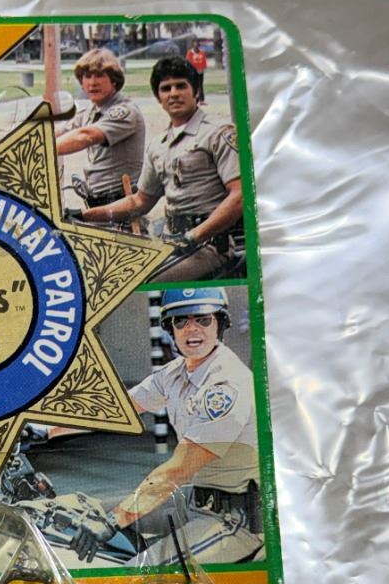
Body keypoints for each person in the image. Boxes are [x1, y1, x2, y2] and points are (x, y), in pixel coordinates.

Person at [78, 57, 241, 279]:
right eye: (166, 89)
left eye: (181, 86)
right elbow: (140, 201)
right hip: (172, 241)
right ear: (159, 98)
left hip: (210, 245)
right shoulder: (159, 145)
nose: (173, 94)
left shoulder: (218, 133)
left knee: (135, 281)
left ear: (196, 91)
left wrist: (193, 236)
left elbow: (239, 195)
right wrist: (84, 216)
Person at [114, 288, 258, 528]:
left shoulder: (227, 385)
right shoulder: (174, 372)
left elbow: (178, 470)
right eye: (181, 321)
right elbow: (116, 409)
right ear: (171, 330)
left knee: (141, 550)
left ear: (220, 324)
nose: (192, 329)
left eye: (203, 320)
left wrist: (115, 520)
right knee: (93, 518)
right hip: (197, 499)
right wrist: (47, 428)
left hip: (237, 518)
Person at [52, 46, 146, 212]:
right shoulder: (90, 111)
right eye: (87, 76)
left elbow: (86, 136)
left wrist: (41, 150)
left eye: (100, 75)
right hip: (98, 204)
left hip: (120, 207)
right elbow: (59, 131)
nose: (92, 82)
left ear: (114, 80)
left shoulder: (125, 111)